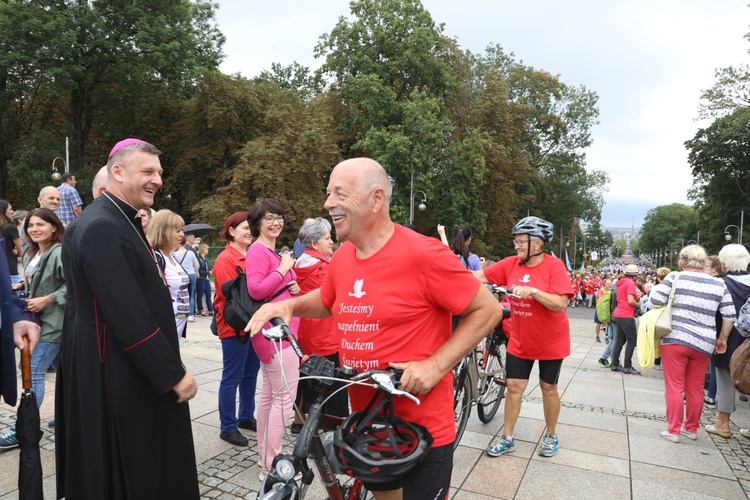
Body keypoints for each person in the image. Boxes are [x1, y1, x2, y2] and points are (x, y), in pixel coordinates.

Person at [248, 158, 501, 499]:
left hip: (424, 430)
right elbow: (327, 300)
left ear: (376, 199)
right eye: (328, 193)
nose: (327, 203)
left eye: (339, 193)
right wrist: (289, 304)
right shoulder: (342, 257)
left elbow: (488, 310)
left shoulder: (423, 254)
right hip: (369, 425)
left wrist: (435, 365)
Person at [56, 138, 199, 499]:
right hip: (116, 369)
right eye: (148, 171)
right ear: (117, 172)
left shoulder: (113, 218)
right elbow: (128, 314)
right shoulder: (105, 225)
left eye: (160, 173)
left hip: (109, 362)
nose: (158, 180)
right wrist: (172, 375)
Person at [476, 216, 573, 459]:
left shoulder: (554, 266)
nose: (516, 245)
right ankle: (507, 438)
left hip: (550, 340)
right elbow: (478, 277)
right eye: (515, 241)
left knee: (548, 388)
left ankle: (551, 435)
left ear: (538, 243)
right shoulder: (510, 264)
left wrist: (535, 292)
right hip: (520, 339)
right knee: (513, 386)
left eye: (521, 241)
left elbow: (561, 304)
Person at [648, 245, 735, 443]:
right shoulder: (718, 284)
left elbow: (655, 300)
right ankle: (691, 428)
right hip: (704, 343)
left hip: (675, 339)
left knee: (675, 386)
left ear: (682, 261)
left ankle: (674, 430)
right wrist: (722, 338)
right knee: (695, 388)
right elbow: (730, 314)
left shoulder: (674, 277)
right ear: (705, 262)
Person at [0, 208, 66, 449]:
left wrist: (47, 299)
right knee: (65, 375)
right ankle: (68, 418)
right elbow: (36, 282)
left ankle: (21, 430)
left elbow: (75, 286)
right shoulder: (32, 252)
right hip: (36, 320)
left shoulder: (60, 253)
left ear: (54, 227)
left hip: (53, 324)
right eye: (30, 225)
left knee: (33, 372)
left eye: (41, 224)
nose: (35, 229)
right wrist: (21, 286)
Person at [245, 199, 302, 480]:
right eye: (269, 218)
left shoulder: (268, 250)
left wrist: (291, 283)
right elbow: (255, 290)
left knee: (270, 396)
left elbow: (273, 287)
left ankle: (266, 459)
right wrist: (284, 269)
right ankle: (272, 462)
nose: (276, 222)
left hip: (278, 332)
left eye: (279, 217)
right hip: (274, 335)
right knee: (283, 398)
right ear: (258, 222)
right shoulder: (258, 250)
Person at [292, 217, 348, 430]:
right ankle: (334, 423)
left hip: (306, 333)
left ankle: (300, 421)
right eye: (327, 238)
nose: (331, 241)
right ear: (315, 244)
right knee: (333, 383)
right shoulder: (324, 268)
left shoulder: (300, 263)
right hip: (326, 334)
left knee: (305, 378)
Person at [214, 211, 258, 447]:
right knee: (232, 377)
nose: (249, 231)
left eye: (251, 226)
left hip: (252, 325)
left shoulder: (251, 255)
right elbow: (232, 296)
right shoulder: (225, 259)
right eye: (244, 227)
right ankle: (227, 426)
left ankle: (245, 416)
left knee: (251, 373)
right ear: (231, 231)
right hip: (234, 327)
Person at [705, 245, 750, 439]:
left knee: (724, 380)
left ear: (723, 264)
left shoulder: (721, 284)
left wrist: (719, 338)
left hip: (728, 339)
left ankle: (723, 423)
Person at [147, 210, 191, 338]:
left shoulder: (171, 256)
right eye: (178, 231)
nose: (182, 235)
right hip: (163, 326)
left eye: (182, 230)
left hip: (178, 323)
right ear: (163, 231)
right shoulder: (156, 257)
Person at [610, 264, 643, 375]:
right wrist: (638, 304)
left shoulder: (621, 282)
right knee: (632, 340)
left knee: (620, 339)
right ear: (635, 275)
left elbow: (623, 297)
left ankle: (615, 364)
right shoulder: (630, 283)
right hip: (626, 314)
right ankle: (627, 366)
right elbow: (630, 300)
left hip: (618, 313)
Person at [173, 234, 199, 322]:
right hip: (191, 274)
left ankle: (181, 314)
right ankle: (190, 314)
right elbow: (197, 265)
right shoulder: (191, 253)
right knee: (191, 294)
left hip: (181, 275)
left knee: (182, 295)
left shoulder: (175, 254)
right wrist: (195, 271)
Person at [0, 200, 22, 287]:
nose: (12, 211)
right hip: (10, 269)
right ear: (3, 211)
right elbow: (21, 251)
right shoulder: (9, 228)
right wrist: (17, 250)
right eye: (10, 209)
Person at [196, 243, 214, 316]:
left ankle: (210, 309)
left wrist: (211, 270)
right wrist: (208, 272)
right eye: (207, 249)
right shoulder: (198, 259)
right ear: (203, 250)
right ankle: (201, 309)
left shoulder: (205, 259)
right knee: (200, 294)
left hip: (206, 279)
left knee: (208, 294)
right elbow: (199, 270)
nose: (207, 250)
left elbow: (207, 268)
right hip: (201, 279)